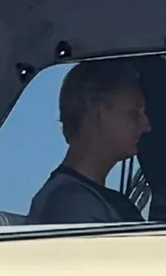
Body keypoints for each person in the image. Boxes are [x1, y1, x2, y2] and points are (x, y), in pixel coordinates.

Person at [29, 58, 153, 226]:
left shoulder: (103, 203)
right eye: (134, 113)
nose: (146, 125)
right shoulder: (69, 206)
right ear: (97, 111)